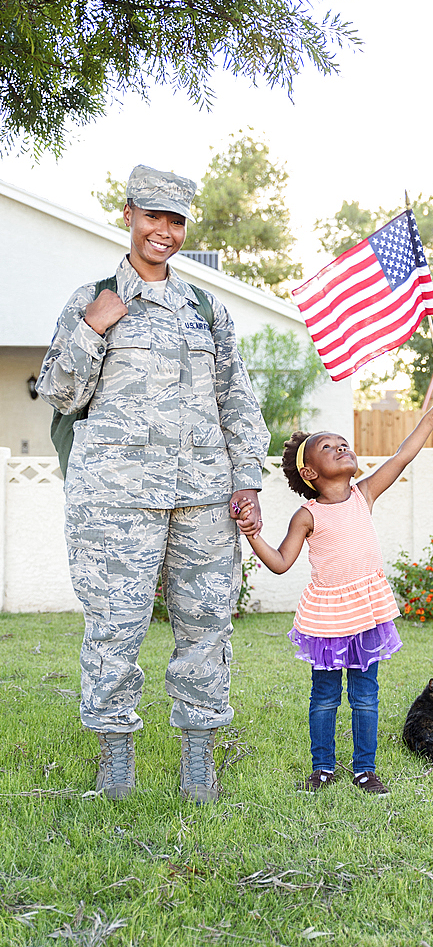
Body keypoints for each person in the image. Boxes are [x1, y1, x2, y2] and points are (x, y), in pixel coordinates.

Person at [37, 165, 269, 804]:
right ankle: (116, 760)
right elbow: (58, 394)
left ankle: (199, 762)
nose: (163, 232)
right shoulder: (91, 299)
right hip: (116, 501)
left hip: (202, 496)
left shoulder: (205, 308)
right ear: (129, 216)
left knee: (207, 625)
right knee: (114, 625)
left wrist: (247, 480)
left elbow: (237, 401)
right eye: (152, 218)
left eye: (175, 222)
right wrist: (93, 329)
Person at [237, 400, 433, 795]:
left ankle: (364, 770)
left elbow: (402, 456)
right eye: (329, 447)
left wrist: (429, 419)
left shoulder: (364, 494)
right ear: (309, 472)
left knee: (365, 696)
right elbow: (280, 562)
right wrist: (253, 533)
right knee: (324, 697)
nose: (342, 447)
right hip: (326, 617)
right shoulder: (307, 515)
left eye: (344, 443)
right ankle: (322, 767)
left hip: (366, 612)